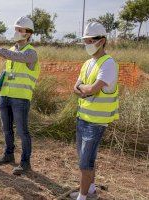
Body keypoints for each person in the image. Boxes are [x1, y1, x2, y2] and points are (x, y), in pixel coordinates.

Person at [0, 16, 40, 175]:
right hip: (5, 95)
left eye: (20, 30)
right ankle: (8, 155)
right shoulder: (12, 51)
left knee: (22, 131)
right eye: (16, 29)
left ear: (28, 34)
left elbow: (14, 57)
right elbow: (10, 68)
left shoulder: (31, 53)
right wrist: (1, 79)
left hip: (20, 98)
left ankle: (25, 163)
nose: (17, 32)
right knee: (6, 129)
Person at [71, 22, 119, 200]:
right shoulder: (87, 63)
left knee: (85, 163)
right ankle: (90, 190)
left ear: (102, 41)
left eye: (90, 40)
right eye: (85, 40)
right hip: (82, 118)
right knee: (86, 159)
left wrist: (85, 89)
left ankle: (82, 197)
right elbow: (76, 88)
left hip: (96, 123)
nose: (87, 44)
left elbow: (93, 89)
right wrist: (85, 88)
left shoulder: (108, 64)